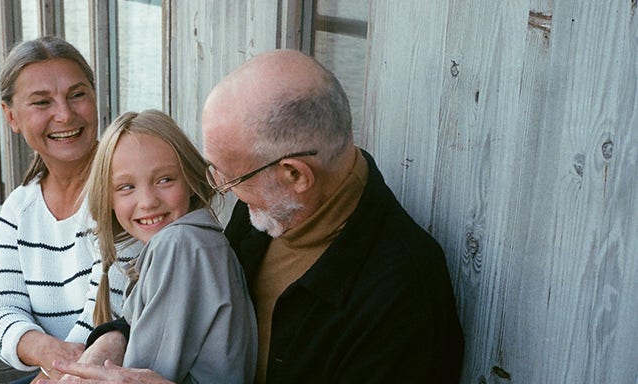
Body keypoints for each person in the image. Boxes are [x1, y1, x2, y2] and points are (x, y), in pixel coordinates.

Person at [47, 49, 464, 383]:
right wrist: (112, 341)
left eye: (229, 177)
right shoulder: (269, 212)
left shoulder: (404, 296)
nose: (219, 188)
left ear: (295, 175)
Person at [0, 36, 135, 384]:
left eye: (77, 95)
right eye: (41, 102)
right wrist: (46, 352)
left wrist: (60, 372)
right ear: (11, 116)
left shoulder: (126, 186)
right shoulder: (20, 207)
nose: (65, 114)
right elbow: (1, 307)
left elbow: (108, 306)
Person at [76, 109, 257, 383]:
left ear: (191, 180)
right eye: (126, 187)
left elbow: (141, 375)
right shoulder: (199, 241)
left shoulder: (179, 246)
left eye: (165, 180)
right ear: (108, 197)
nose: (148, 201)